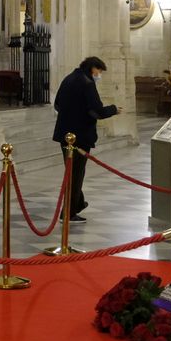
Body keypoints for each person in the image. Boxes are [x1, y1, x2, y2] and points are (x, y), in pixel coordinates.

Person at [51, 56, 119, 222]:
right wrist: (114, 109)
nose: (99, 74)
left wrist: (70, 115)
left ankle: (78, 203)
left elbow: (57, 104)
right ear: (93, 68)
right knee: (76, 174)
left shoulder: (68, 78)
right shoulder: (87, 84)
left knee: (72, 171)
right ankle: (68, 213)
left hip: (65, 134)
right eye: (99, 71)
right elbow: (97, 110)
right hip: (80, 136)